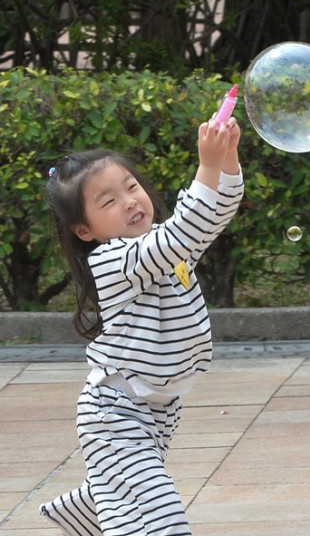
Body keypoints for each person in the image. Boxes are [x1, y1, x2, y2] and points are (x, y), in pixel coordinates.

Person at [40, 115, 244, 535]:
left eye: (131, 187)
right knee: (160, 517)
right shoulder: (115, 260)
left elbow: (213, 215)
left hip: (159, 409)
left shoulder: (166, 247)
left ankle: (87, 512)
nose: (130, 201)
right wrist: (206, 166)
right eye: (108, 201)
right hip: (115, 412)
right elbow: (188, 228)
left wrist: (227, 158)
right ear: (84, 230)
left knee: (133, 496)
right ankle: (101, 505)